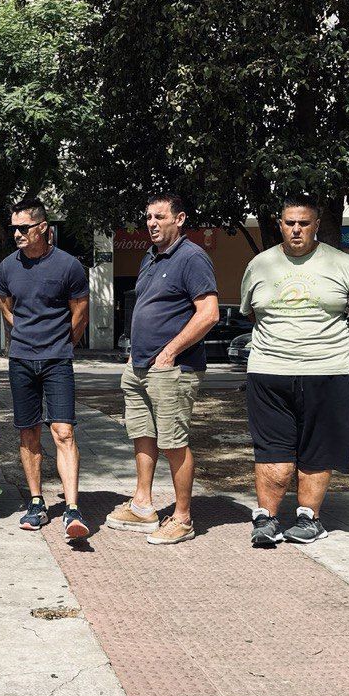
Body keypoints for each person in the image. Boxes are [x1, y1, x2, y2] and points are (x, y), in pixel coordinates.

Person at [240, 195, 349, 547]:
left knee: (318, 448)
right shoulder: (260, 265)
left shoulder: (342, 263)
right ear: (280, 224)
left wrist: (347, 335)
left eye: (304, 222)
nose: (297, 229)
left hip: (331, 370)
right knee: (272, 450)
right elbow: (251, 311)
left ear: (316, 225)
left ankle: (308, 518)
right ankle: (266, 519)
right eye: (290, 222)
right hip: (269, 371)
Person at [107, 195, 219, 545]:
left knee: (173, 442)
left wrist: (170, 352)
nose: (152, 223)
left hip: (173, 369)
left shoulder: (192, 258)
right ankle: (143, 505)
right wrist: (133, 355)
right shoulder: (150, 257)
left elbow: (209, 313)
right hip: (139, 365)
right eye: (148, 218)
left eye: (160, 217)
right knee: (142, 434)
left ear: (180, 219)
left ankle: (182, 518)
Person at [0, 198, 91, 539]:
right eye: (14, 229)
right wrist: (21, 333)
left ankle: (73, 508)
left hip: (57, 359)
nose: (18, 234)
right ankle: (36, 503)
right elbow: (6, 305)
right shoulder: (7, 267)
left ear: (43, 229)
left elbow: (80, 310)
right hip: (21, 358)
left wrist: (64, 342)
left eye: (23, 228)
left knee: (63, 431)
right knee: (28, 431)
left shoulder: (68, 266)